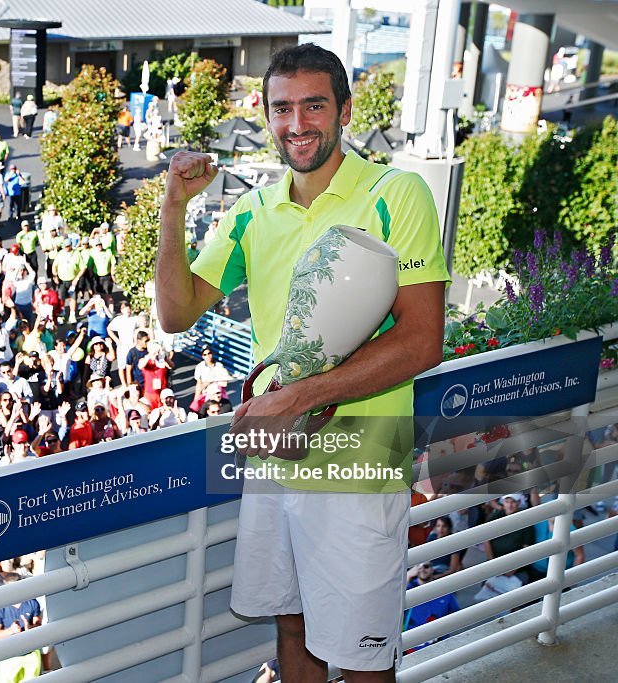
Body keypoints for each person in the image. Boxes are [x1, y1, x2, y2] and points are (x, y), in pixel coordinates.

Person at [155, 44, 450, 680]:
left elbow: (424, 340)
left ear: (344, 109)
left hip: (362, 468)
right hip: (276, 463)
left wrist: (299, 396)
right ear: (266, 116)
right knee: (293, 628)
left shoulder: (395, 195)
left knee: (363, 660)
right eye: (281, 108)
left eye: (314, 105)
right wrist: (173, 206)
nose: (297, 124)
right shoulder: (253, 210)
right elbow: (176, 315)